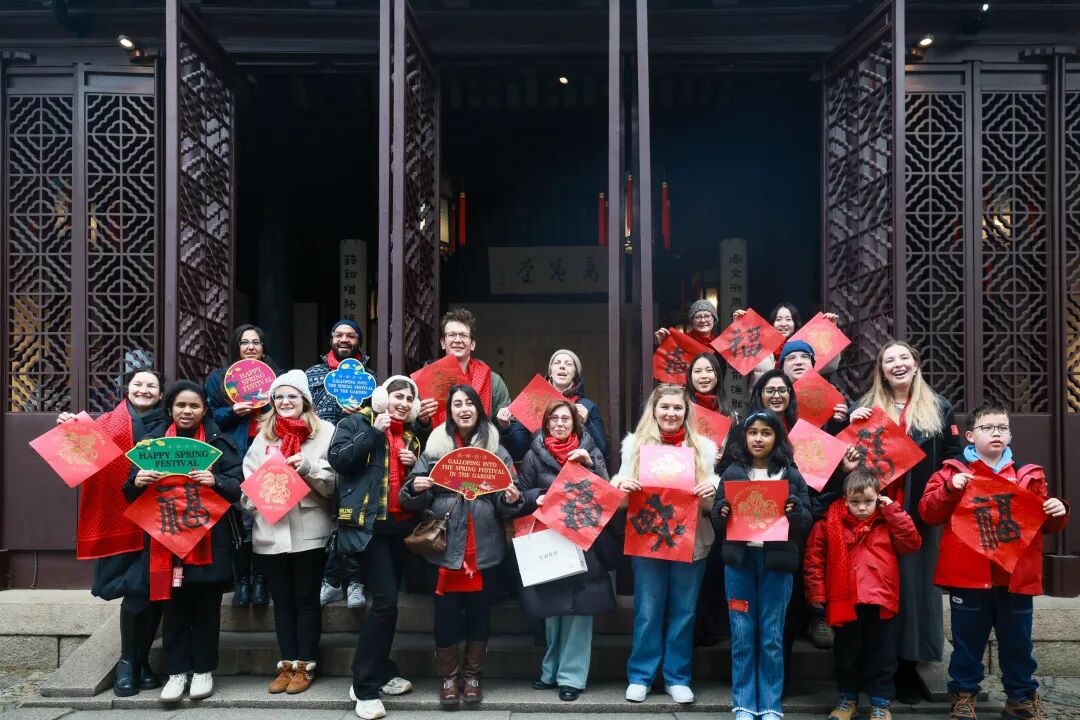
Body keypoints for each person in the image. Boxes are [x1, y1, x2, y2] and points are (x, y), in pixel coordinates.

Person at [919, 402, 1070, 720]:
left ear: (1010, 434)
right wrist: (949, 489)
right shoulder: (952, 472)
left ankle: (1021, 698)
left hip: (1015, 577)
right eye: (987, 428)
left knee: (1018, 644)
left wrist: (1058, 511)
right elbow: (929, 512)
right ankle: (963, 697)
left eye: (1002, 428)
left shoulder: (1028, 475)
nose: (996, 433)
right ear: (970, 436)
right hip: (968, 576)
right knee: (966, 644)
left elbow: (1045, 524)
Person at [848, 340, 961, 702]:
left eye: (903, 358)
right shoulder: (865, 406)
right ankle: (874, 667)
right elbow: (845, 456)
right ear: (881, 370)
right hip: (873, 513)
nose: (897, 365)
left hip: (918, 513)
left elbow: (953, 456)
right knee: (874, 589)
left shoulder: (939, 407)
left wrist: (942, 489)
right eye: (889, 360)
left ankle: (908, 665)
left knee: (916, 590)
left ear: (915, 364)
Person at [399, 384, 523, 709]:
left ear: (479, 409)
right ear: (450, 411)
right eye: (457, 404)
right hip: (445, 547)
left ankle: (472, 676)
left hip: (482, 545)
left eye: (470, 403)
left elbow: (508, 498)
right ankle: (448, 678)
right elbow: (408, 496)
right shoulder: (435, 446)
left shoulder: (495, 447)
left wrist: (511, 499)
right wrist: (417, 487)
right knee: (446, 614)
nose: (464, 409)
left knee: (480, 613)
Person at [123, 380, 243, 703]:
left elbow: (238, 487)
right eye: (181, 405)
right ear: (170, 408)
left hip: (209, 539)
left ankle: (203, 670)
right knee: (173, 609)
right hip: (165, 540)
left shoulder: (220, 442)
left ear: (204, 410)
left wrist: (216, 480)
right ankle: (176, 673)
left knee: (207, 608)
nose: (187, 411)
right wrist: (138, 480)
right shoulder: (152, 445)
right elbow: (128, 492)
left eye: (194, 406)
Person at [57, 369, 164, 697]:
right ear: (126, 389)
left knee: (157, 594)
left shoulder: (171, 423)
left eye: (151, 386)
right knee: (136, 591)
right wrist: (71, 429)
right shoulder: (105, 424)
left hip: (162, 519)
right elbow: (81, 459)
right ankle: (128, 662)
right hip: (124, 518)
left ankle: (142, 661)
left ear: (161, 394)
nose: (144, 390)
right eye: (138, 384)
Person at [612, 384, 719, 705]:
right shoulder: (635, 445)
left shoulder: (703, 447)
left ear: (686, 413)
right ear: (654, 410)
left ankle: (677, 677)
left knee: (684, 612)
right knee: (647, 611)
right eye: (665, 407)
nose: (671, 413)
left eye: (677, 408)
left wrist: (711, 490)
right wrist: (622, 487)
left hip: (691, 539)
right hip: (648, 541)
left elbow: (714, 494)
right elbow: (617, 487)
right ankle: (640, 675)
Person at [329, 376, 424, 720]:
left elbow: (413, 490)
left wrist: (414, 467)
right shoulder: (356, 422)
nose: (403, 403)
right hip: (367, 529)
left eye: (409, 399)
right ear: (383, 397)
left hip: (401, 530)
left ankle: (382, 670)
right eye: (398, 396)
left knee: (389, 605)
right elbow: (339, 460)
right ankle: (364, 685)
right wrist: (373, 431)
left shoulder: (412, 437)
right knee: (385, 602)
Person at [710, 411, 811, 720]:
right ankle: (743, 703)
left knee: (771, 635)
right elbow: (716, 519)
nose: (758, 438)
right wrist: (722, 512)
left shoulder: (791, 475)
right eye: (752, 432)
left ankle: (769, 704)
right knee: (742, 633)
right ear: (744, 437)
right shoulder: (732, 473)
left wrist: (795, 513)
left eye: (766, 433)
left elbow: (806, 521)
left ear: (777, 438)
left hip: (776, 566)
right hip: (739, 565)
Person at [241, 370, 337, 695]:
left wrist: (307, 468)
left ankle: (305, 664)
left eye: (292, 396)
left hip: (310, 530)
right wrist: (263, 489)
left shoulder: (325, 432)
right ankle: (287, 663)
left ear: (304, 400)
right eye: (279, 396)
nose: (285, 401)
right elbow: (247, 486)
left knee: (306, 600)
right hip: (271, 532)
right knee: (281, 602)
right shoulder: (263, 436)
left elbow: (334, 484)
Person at [515, 399, 614, 702]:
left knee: (580, 610)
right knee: (551, 609)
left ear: (575, 424)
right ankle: (550, 671)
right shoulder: (533, 454)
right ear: (546, 424)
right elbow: (521, 493)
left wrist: (589, 464)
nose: (559, 424)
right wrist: (536, 497)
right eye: (553, 419)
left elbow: (607, 492)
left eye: (565, 419)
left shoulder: (589, 450)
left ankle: (572, 677)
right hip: (549, 538)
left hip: (583, 539)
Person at [804, 469, 922, 720]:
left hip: (880, 599)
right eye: (855, 501)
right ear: (844, 499)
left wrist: (893, 511)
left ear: (879, 497)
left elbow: (912, 543)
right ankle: (848, 699)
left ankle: (881, 703)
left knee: (882, 655)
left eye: (868, 501)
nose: (861, 508)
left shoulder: (887, 521)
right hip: (845, 601)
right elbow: (814, 560)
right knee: (846, 655)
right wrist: (817, 594)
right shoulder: (828, 523)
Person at [205, 324, 279, 608]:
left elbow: (293, 410)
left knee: (265, 518)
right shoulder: (219, 379)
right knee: (240, 520)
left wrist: (268, 408)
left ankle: (261, 580)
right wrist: (232, 411)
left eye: (256, 342)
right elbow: (208, 417)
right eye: (245, 342)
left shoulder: (277, 377)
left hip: (268, 455)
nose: (251, 347)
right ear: (236, 347)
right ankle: (242, 582)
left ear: (263, 347)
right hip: (235, 455)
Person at [308, 319, 374, 610]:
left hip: (357, 457)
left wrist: (363, 412)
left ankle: (356, 581)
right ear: (331, 339)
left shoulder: (370, 378)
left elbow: (380, 418)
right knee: (328, 521)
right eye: (339, 334)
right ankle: (331, 580)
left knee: (353, 518)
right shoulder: (313, 374)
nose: (344, 339)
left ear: (359, 341)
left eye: (351, 335)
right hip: (321, 456)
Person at [501, 349, 609, 462]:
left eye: (568, 364)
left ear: (575, 374)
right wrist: (506, 428)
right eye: (557, 363)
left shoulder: (587, 406)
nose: (562, 366)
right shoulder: (532, 401)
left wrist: (587, 422)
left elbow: (603, 452)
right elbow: (517, 453)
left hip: (575, 468)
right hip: (539, 468)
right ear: (550, 372)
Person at [419, 308, 511, 429]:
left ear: (472, 344)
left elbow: (507, 430)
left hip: (481, 441)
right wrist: (422, 422)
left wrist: (505, 425)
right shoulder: (427, 379)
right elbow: (412, 430)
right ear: (442, 343)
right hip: (439, 441)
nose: (457, 340)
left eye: (463, 335)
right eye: (451, 335)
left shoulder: (493, 381)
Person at [733, 303, 841, 373]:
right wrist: (738, 327)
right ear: (772, 323)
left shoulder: (805, 346)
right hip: (767, 398)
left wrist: (831, 331)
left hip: (799, 397)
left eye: (788, 319)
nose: (783, 324)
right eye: (778, 319)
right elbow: (737, 363)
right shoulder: (759, 345)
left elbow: (831, 366)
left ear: (795, 323)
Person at [653, 298, 721, 345]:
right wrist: (662, 343)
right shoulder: (680, 341)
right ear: (691, 321)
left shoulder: (719, 345)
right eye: (698, 317)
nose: (703, 320)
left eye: (707, 316)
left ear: (714, 319)